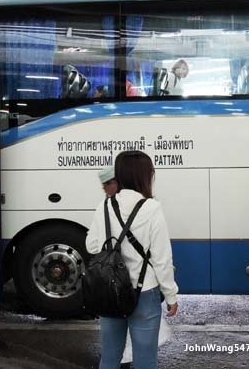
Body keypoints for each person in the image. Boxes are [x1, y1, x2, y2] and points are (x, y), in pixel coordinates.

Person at [87, 151, 179, 369]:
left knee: (110, 357)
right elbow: (162, 259)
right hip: (145, 292)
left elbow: (91, 246)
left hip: (110, 290)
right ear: (144, 176)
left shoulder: (105, 206)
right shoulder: (152, 208)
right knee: (145, 360)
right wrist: (171, 295)